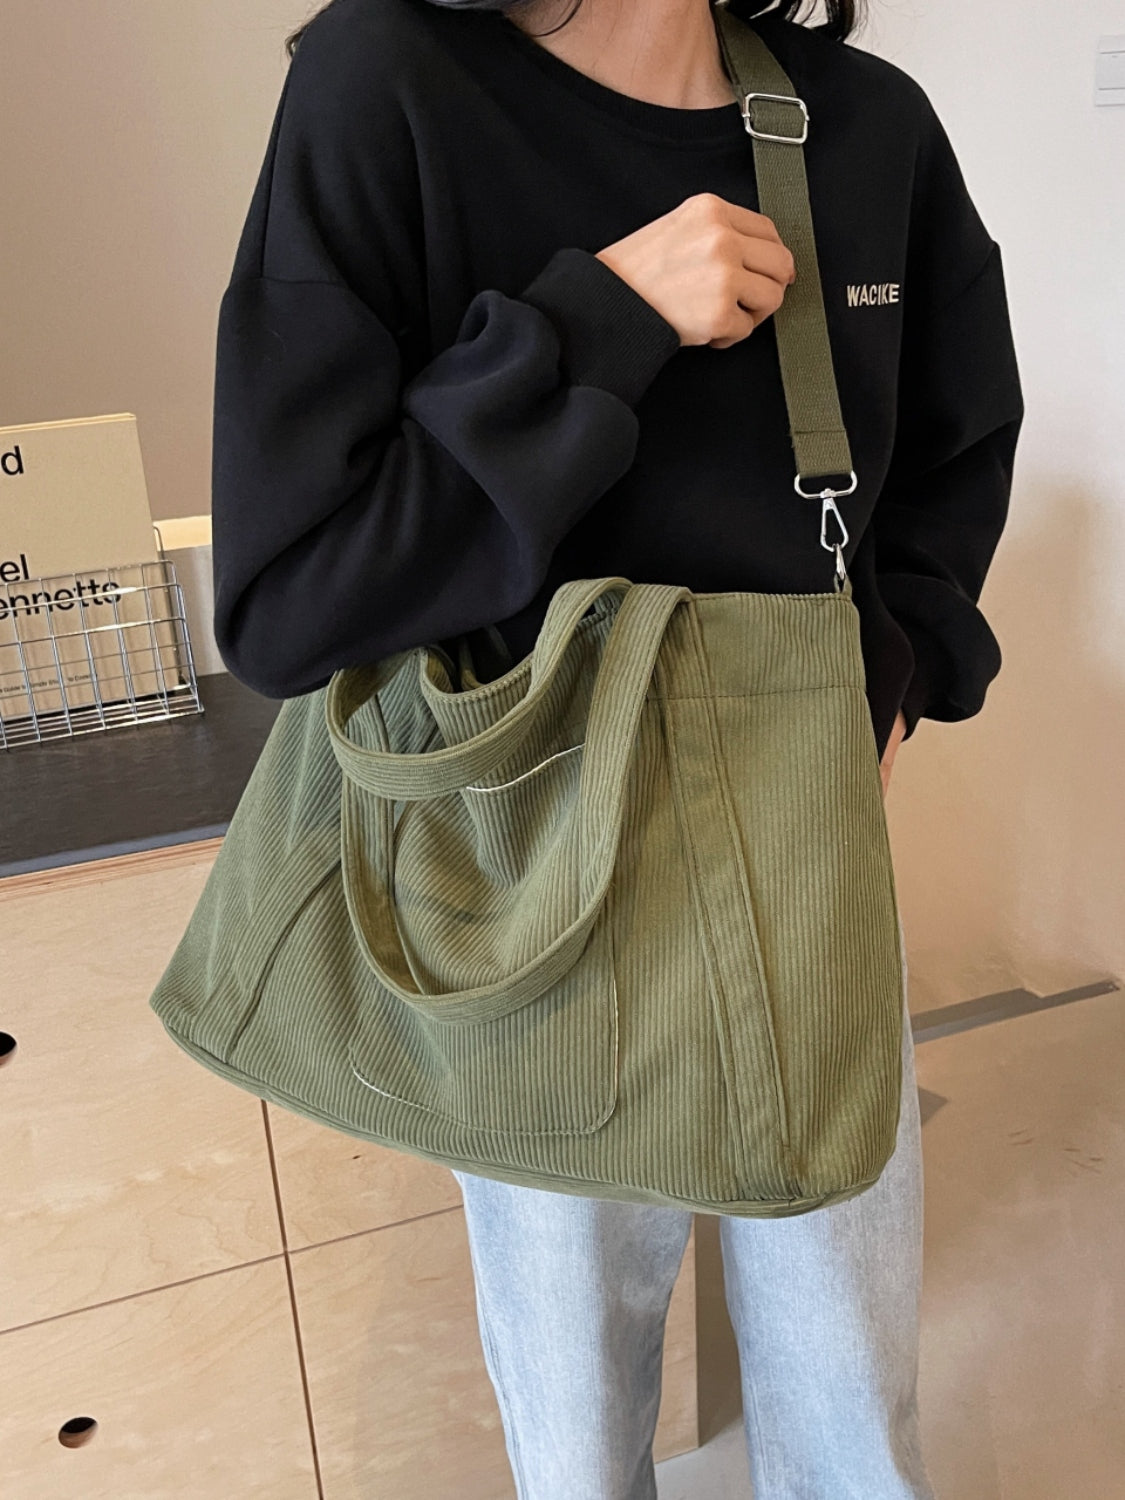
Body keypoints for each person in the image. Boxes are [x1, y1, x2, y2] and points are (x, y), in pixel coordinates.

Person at [210, 0, 1024, 1494]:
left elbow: (953, 452)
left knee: (852, 1402)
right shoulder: (385, 80)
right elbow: (292, 598)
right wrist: (602, 323)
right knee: (579, 1424)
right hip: (517, 854)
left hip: (801, 843)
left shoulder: (868, 123)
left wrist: (898, 675)